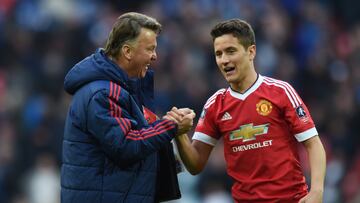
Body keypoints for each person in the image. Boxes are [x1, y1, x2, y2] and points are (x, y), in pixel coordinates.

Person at [167, 19, 326, 202]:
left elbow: (313, 143)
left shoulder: (280, 91)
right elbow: (195, 164)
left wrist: (317, 190)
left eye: (231, 51)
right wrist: (179, 134)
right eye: (218, 54)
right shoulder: (215, 104)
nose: (224, 60)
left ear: (251, 52)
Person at [61, 12, 195, 203]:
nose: (155, 56)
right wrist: (170, 126)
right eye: (150, 49)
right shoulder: (103, 93)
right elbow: (126, 145)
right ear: (127, 52)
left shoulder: (123, 89)